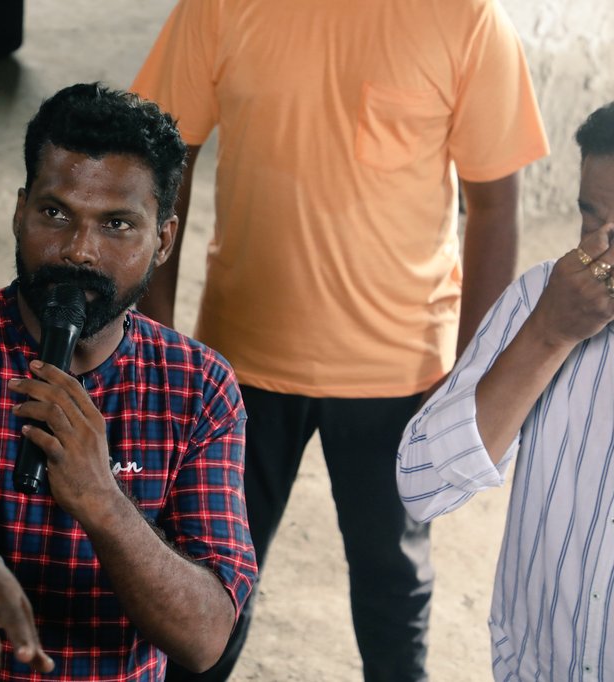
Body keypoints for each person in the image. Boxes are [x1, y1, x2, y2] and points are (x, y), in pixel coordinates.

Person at [130, 1, 551, 679]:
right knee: (207, 585)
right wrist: (155, 344)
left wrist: (472, 373)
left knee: (392, 588)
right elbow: (159, 155)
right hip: (240, 363)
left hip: (400, 370)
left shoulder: (465, 18)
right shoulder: (220, 7)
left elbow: (495, 205)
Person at [0, 83, 257, 681]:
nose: (78, 251)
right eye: (55, 213)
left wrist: (102, 500)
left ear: (163, 240)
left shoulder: (199, 386)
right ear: (20, 212)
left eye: (117, 224)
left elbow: (204, 638)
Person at [397, 102, 614, 680]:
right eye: (592, 221)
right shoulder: (544, 299)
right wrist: (547, 336)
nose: (604, 251)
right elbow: (421, 485)